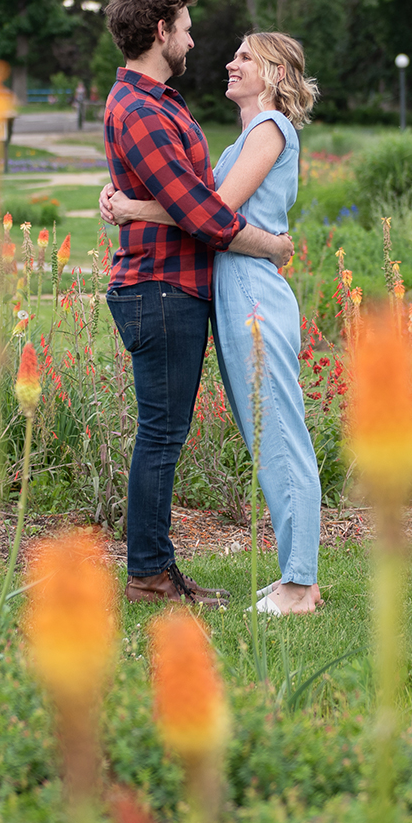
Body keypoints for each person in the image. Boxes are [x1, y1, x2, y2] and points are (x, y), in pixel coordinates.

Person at [103, 33, 324, 614]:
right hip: (234, 291)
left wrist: (132, 206)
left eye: (245, 56)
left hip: (252, 294)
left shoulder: (271, 129)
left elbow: (214, 211)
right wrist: (132, 197)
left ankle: (302, 585)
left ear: (274, 73)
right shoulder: (249, 135)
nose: (230, 62)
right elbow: (200, 203)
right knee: (264, 432)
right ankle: (292, 577)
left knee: (278, 430)